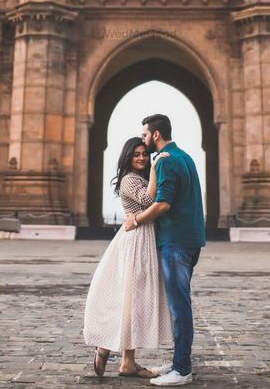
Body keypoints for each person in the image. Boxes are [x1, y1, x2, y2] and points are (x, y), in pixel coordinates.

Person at [124, 114, 206, 387]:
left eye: (145, 134)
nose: (144, 140)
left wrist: (135, 220)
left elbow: (163, 204)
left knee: (179, 307)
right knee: (178, 305)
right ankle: (178, 362)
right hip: (190, 239)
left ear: (156, 134)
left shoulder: (166, 161)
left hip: (175, 242)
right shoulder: (184, 156)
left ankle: (182, 369)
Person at [83, 136, 172, 379]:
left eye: (144, 153)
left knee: (135, 300)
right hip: (135, 243)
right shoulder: (129, 179)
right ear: (127, 157)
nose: (142, 157)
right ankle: (104, 346)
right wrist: (155, 167)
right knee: (130, 299)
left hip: (143, 240)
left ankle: (128, 363)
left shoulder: (139, 178)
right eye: (136, 154)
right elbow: (148, 200)